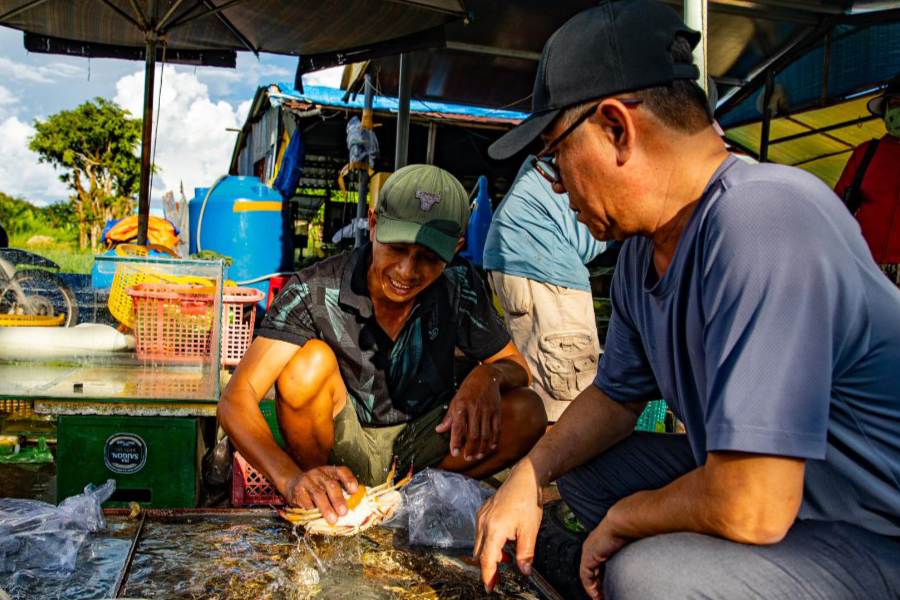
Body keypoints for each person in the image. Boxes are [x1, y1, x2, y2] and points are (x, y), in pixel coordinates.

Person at [474, 2, 900, 599]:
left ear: (616, 128)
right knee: (586, 475)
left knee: (651, 578)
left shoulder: (764, 220)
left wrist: (626, 522)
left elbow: (755, 500)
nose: (560, 185)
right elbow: (615, 398)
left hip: (870, 529)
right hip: (790, 503)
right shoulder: (638, 259)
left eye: (553, 158)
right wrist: (530, 473)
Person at [218, 164, 546, 524]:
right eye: (396, 248)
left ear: (456, 249)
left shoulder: (458, 287)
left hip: (425, 441)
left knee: (528, 410)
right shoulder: (312, 289)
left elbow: (517, 367)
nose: (406, 271)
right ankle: (326, 500)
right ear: (373, 224)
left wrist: (489, 377)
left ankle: (415, 504)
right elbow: (237, 399)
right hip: (343, 446)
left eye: (429, 257)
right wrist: (292, 478)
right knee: (303, 367)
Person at [483, 158, 607, 421]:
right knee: (567, 405)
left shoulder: (550, 167)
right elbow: (593, 238)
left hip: (517, 262)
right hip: (543, 269)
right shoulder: (584, 168)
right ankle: (550, 461)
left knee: (535, 382)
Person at [834, 73, 900, 288]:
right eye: (895, 104)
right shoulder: (867, 153)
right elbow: (836, 209)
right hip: (865, 266)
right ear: (886, 111)